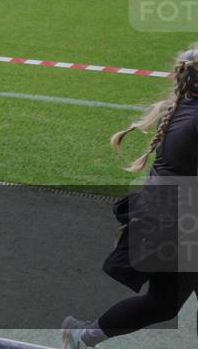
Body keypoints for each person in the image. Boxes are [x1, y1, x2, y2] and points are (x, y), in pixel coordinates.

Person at [61, 44, 198, 348]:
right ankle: (83, 337)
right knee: (162, 303)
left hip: (170, 217)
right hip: (175, 223)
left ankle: (83, 336)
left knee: (162, 303)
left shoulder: (182, 105)